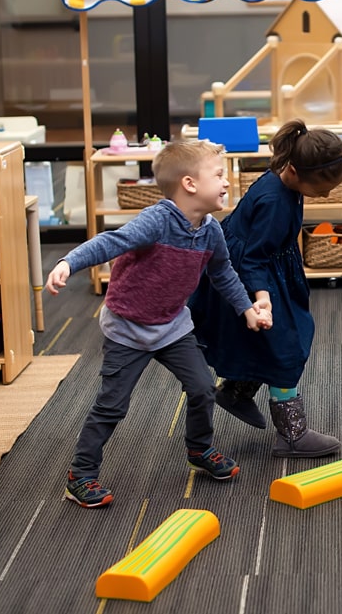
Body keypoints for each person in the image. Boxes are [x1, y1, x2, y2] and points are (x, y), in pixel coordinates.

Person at [46, 139, 271, 508]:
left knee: (202, 388)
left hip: (171, 325)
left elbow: (223, 273)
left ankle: (199, 449)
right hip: (128, 328)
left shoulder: (211, 230)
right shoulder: (158, 220)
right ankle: (80, 475)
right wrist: (69, 262)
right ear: (189, 184)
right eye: (219, 174)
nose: (227, 181)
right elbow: (112, 242)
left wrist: (246, 308)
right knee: (112, 405)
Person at [190, 120, 342, 458]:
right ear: (294, 171)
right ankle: (292, 434)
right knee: (285, 346)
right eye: (321, 188)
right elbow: (251, 259)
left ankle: (236, 391)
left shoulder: (284, 180)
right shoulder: (275, 202)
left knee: (269, 340)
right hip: (251, 275)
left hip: (267, 267)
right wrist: (262, 297)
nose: (326, 194)